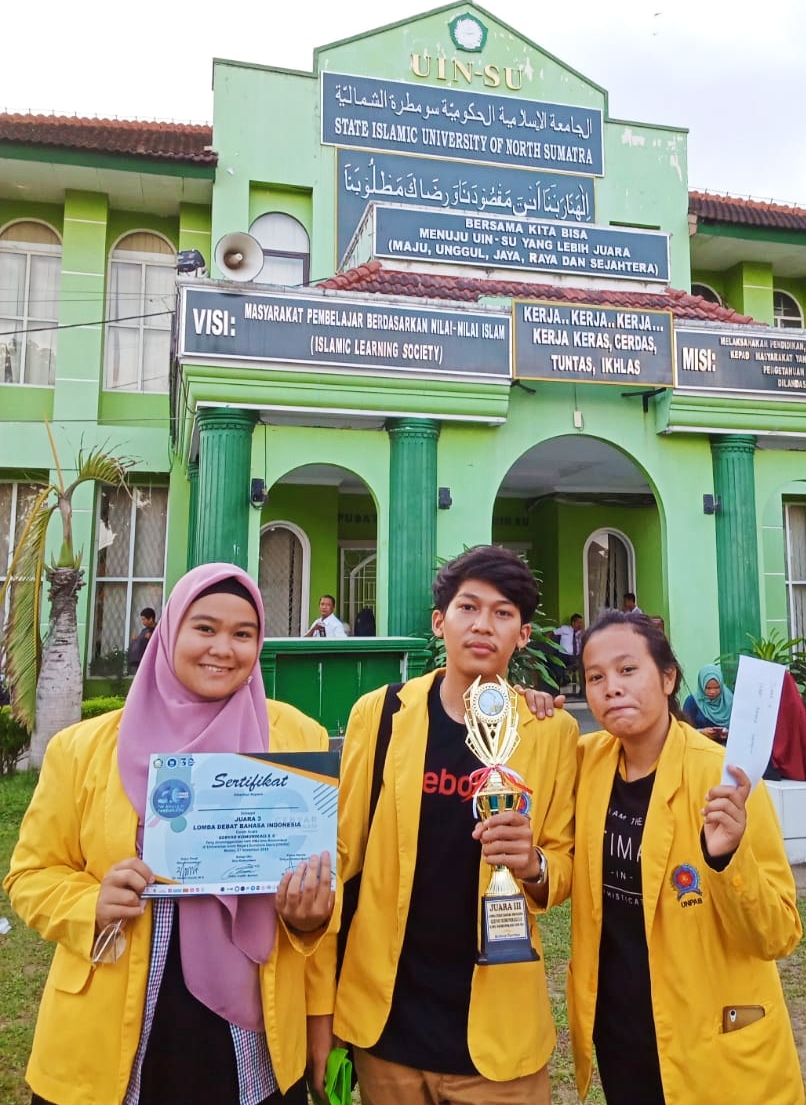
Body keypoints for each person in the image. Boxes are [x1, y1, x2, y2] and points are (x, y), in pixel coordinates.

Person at [5, 563, 337, 1105]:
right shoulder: (84, 748)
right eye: (204, 628)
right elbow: (30, 874)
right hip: (112, 1022)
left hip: (251, 1030)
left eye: (243, 634)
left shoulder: (296, 737)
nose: (223, 649)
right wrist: (92, 902)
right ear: (170, 632)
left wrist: (311, 916)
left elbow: (323, 874)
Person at [336, 545, 577, 1105]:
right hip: (389, 1029)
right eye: (469, 608)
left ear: (522, 634)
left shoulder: (549, 731)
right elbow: (346, 856)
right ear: (440, 622)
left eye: (503, 613)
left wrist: (533, 863)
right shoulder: (381, 714)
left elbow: (562, 866)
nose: (483, 625)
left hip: (498, 1038)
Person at [568, 610, 803, 1105]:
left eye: (628, 670)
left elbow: (779, 934)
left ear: (668, 676)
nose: (611, 687)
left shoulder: (725, 779)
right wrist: (533, 702)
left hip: (710, 1043)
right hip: (620, 1032)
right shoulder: (586, 764)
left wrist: (727, 860)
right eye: (595, 677)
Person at [682, 663, 733, 743]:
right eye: (708, 688)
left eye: (716, 687)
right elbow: (684, 730)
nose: (712, 692)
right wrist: (701, 732)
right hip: (701, 748)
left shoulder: (729, 700)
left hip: (726, 750)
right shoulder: (692, 701)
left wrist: (727, 733)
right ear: (702, 685)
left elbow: (739, 727)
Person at [128, 607, 157, 672]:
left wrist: (152, 638)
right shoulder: (144, 630)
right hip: (141, 661)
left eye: (144, 619)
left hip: (152, 662)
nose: (142, 622)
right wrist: (136, 639)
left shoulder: (157, 630)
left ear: (151, 619)